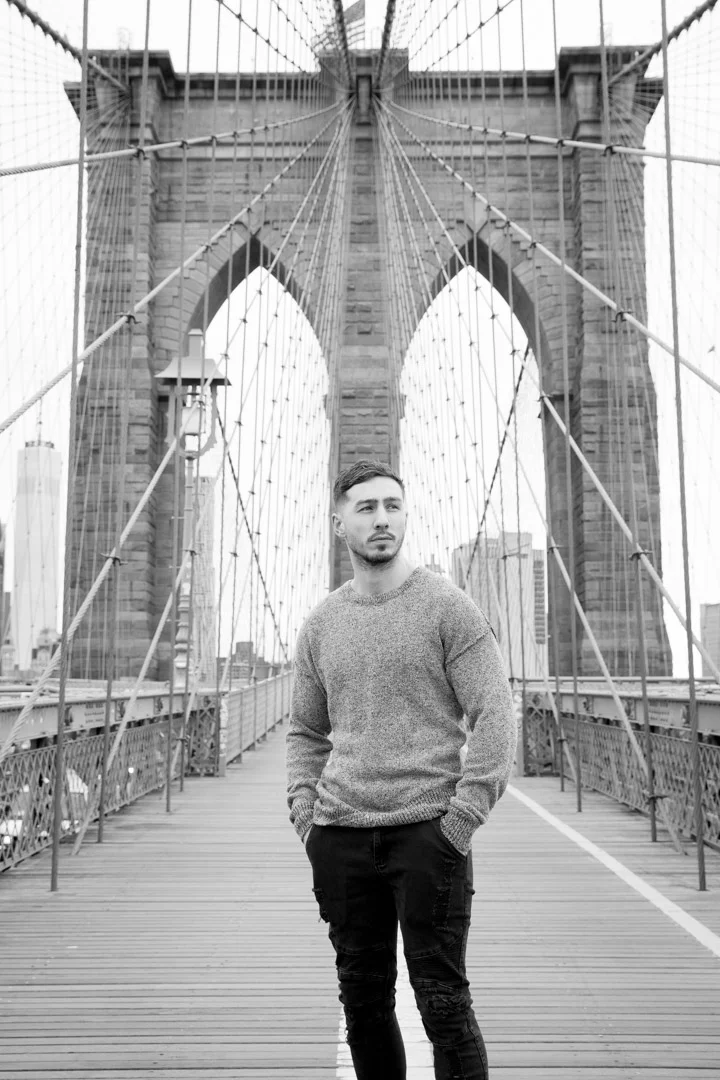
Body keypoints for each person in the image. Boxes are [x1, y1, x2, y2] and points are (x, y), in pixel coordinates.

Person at [285, 459, 517, 1080]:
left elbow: (495, 714)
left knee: (443, 1004)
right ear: (340, 524)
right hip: (340, 835)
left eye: (392, 505)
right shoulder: (321, 624)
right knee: (363, 1006)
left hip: (428, 833)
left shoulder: (448, 608)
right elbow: (305, 730)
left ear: (406, 515)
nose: (382, 518)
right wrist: (306, 817)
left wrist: (463, 819)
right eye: (366, 508)